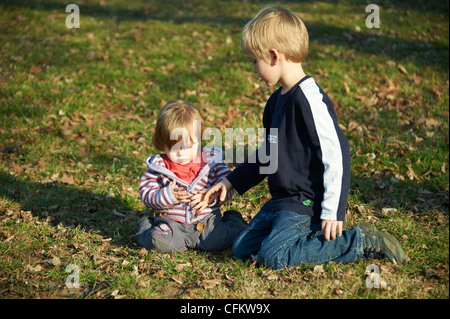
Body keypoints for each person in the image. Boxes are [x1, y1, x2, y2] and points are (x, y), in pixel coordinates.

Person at [193, 5, 406, 269]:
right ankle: (294, 238)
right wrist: (231, 182)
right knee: (242, 248)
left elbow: (336, 153)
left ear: (273, 56)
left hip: (305, 202)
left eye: (254, 61)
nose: (253, 69)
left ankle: (358, 241)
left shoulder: (308, 99)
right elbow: (267, 156)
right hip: (282, 202)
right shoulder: (275, 102)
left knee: (275, 256)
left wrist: (332, 211)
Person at [136, 100, 246, 253]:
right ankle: (146, 226)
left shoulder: (210, 162)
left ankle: (232, 220)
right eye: (173, 147)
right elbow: (146, 194)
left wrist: (212, 196)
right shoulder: (159, 167)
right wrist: (168, 195)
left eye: (187, 146)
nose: (180, 153)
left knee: (222, 240)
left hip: (207, 221)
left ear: (199, 140)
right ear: (163, 142)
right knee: (158, 241)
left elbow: (229, 185)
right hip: (172, 224)